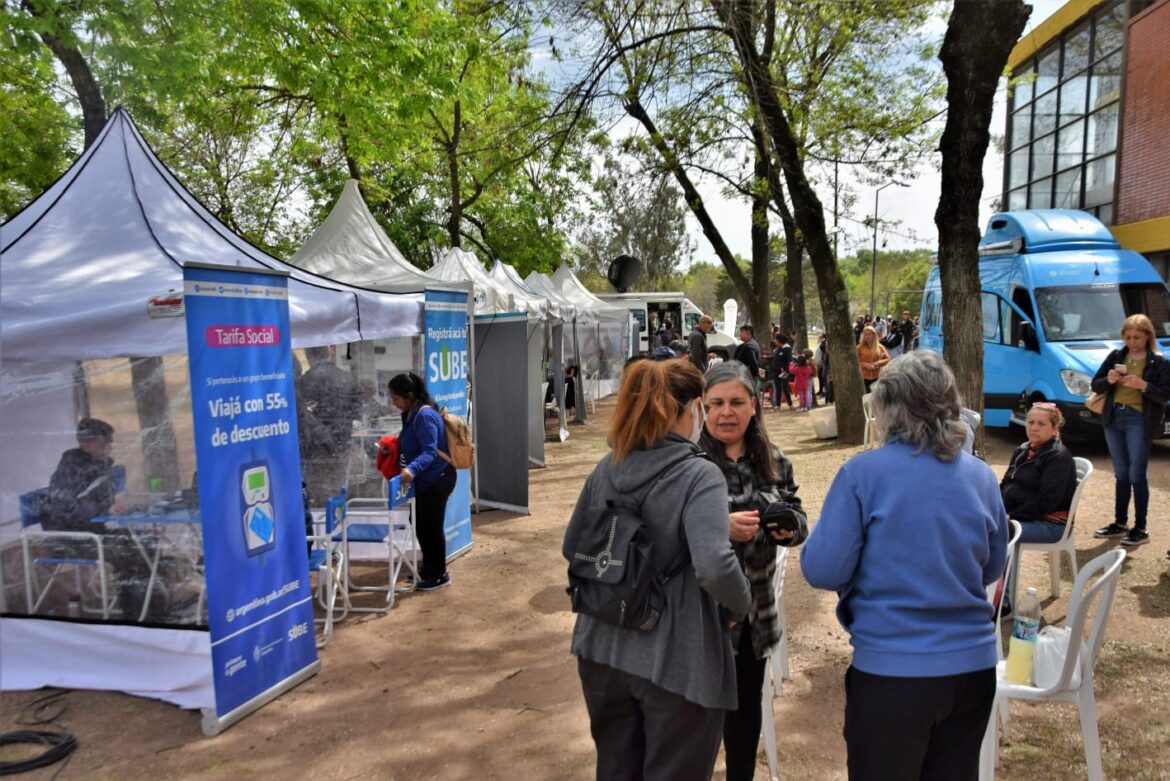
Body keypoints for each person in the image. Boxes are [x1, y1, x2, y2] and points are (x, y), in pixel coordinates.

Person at [801, 351, 1009, 781]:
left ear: (886, 408)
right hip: (971, 669)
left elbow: (822, 569)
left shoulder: (862, 474)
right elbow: (991, 567)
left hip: (893, 672)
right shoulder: (981, 476)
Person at [564, 359, 750, 781]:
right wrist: (742, 604)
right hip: (675, 659)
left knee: (616, 770)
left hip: (600, 648)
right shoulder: (699, 474)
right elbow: (715, 567)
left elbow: (572, 546)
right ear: (690, 409)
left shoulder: (607, 466)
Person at [699, 361, 808, 781]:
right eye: (717, 403)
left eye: (736, 402)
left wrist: (789, 528)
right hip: (701, 620)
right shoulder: (688, 462)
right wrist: (718, 525)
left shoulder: (774, 459)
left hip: (754, 621)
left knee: (744, 729)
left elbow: (798, 516)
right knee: (697, 728)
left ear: (754, 406)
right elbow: (663, 530)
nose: (726, 412)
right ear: (703, 408)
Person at [44, 418, 155, 620]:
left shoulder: (96, 464)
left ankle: (149, 605)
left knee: (146, 543)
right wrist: (105, 507)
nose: (109, 448)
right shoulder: (71, 468)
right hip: (68, 537)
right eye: (105, 443)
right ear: (89, 443)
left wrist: (114, 505)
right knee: (126, 551)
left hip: (90, 531)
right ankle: (134, 612)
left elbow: (96, 498)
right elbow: (69, 506)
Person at [1090, 314, 1170, 547]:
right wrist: (1110, 380)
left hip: (1138, 419)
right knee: (1121, 474)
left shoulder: (1159, 361)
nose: (1132, 342)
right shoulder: (1117, 355)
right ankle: (1120, 522)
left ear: (1147, 336)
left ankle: (1141, 527)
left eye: (1137, 337)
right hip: (1114, 417)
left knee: (1137, 475)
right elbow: (1096, 384)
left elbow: (1165, 394)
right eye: (1128, 337)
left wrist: (1144, 385)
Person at [1000, 402, 1077, 604]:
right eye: (1031, 422)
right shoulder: (1022, 450)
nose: (1034, 427)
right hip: (1019, 516)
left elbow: (1046, 502)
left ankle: (1003, 603)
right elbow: (1005, 484)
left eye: (1041, 424)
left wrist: (1011, 517)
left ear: (1055, 428)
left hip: (1051, 524)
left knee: (1003, 532)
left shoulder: (1057, 457)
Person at [389, 372, 458, 591]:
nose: (393, 403)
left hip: (438, 478)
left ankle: (440, 574)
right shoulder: (409, 413)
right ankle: (428, 568)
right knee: (420, 525)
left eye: (396, 398)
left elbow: (429, 452)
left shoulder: (425, 416)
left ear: (409, 395)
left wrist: (411, 469)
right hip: (425, 480)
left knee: (431, 527)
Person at [300, 345, 361, 506]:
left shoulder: (307, 380)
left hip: (318, 448)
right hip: (343, 443)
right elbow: (357, 408)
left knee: (320, 491)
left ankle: (326, 524)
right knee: (338, 487)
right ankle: (338, 521)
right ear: (329, 354)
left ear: (308, 355)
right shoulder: (346, 377)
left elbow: (302, 413)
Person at [856, 326, 891, 393]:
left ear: (874, 335)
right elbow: (855, 362)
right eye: (865, 334)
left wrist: (877, 363)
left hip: (877, 377)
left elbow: (888, 359)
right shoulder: (859, 348)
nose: (867, 336)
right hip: (863, 378)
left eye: (869, 334)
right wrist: (865, 365)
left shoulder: (880, 347)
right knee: (865, 398)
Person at [771, 334, 794, 410]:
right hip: (776, 371)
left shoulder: (787, 348)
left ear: (779, 340)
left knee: (785, 388)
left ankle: (790, 404)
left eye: (776, 339)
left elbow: (789, 361)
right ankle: (778, 405)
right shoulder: (779, 348)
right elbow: (776, 358)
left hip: (784, 372)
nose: (775, 341)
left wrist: (786, 371)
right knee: (777, 388)